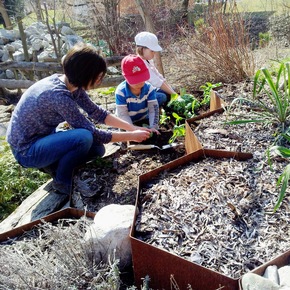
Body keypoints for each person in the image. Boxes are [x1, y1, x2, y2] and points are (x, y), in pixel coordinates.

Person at [6, 42, 152, 195]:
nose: (99, 81)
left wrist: (132, 128)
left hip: (43, 137)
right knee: (84, 137)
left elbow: (97, 113)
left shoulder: (72, 85)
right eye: (98, 76)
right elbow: (94, 133)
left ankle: (53, 165)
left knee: (97, 149)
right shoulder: (58, 96)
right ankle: (62, 181)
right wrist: (132, 136)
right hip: (26, 150)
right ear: (85, 74)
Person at [115, 54, 160, 131]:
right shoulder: (121, 92)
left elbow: (153, 109)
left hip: (143, 117)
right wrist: (132, 130)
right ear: (126, 77)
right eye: (135, 80)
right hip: (126, 121)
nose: (139, 82)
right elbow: (123, 114)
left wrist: (153, 127)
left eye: (141, 78)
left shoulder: (149, 88)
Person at [135, 31, 177, 106]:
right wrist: (175, 95)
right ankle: (148, 112)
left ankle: (163, 108)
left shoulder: (147, 61)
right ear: (142, 49)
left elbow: (159, 77)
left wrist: (172, 92)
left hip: (149, 91)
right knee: (162, 97)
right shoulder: (139, 63)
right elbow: (156, 81)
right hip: (139, 96)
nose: (154, 53)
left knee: (170, 91)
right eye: (152, 51)